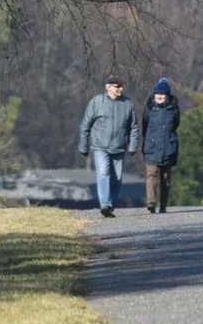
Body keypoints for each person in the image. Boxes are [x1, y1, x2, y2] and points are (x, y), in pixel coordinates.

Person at [77, 74, 139, 217]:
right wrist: (83, 146)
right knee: (103, 173)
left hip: (119, 147)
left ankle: (109, 204)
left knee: (116, 178)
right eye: (117, 86)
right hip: (100, 146)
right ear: (108, 87)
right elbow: (85, 125)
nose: (120, 89)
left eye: (121, 86)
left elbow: (134, 127)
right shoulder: (97, 102)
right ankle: (105, 204)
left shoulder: (127, 103)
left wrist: (133, 146)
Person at [141, 77, 180, 214]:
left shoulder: (173, 109)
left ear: (167, 96)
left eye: (162, 94)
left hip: (168, 148)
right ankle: (151, 202)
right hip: (151, 147)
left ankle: (163, 205)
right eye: (158, 94)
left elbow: (176, 124)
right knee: (151, 174)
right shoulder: (149, 109)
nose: (160, 96)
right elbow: (144, 125)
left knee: (165, 178)